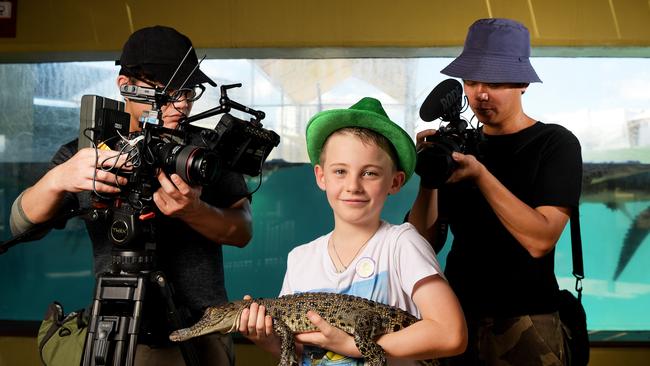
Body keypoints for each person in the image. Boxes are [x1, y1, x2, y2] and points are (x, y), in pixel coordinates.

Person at [9, 26, 252, 366]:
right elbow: (22, 225)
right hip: (115, 332)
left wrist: (193, 210)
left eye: (188, 91)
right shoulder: (87, 153)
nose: (181, 104)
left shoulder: (205, 153)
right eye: (166, 92)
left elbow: (242, 231)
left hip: (202, 334)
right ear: (126, 85)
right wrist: (57, 180)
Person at [239, 97, 467, 365]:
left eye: (369, 173)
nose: (353, 185)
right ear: (321, 176)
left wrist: (354, 345)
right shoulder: (300, 259)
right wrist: (269, 341)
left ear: (395, 182)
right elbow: (309, 353)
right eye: (340, 171)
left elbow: (451, 334)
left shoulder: (402, 243)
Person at [408, 18, 582, 365]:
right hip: (455, 317)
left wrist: (481, 176)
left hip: (528, 319)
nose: (480, 93)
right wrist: (429, 177)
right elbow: (420, 244)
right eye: (471, 81)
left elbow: (541, 239)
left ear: (522, 83)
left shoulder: (554, 143)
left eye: (494, 82)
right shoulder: (458, 146)